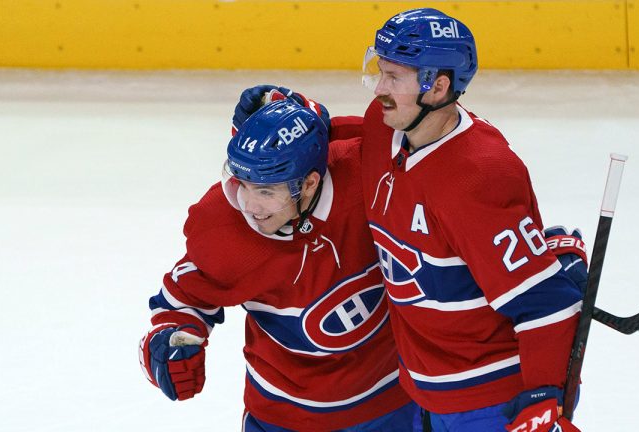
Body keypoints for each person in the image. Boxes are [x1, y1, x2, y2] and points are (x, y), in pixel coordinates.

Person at [232, 8, 588, 432]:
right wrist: (292, 114)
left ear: (437, 88)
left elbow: (547, 304)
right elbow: (332, 134)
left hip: (492, 400)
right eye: (379, 71)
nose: (380, 88)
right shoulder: (386, 127)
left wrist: (543, 397)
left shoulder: (478, 176)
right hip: (422, 392)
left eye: (394, 78)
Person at [137, 99, 416, 431]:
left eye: (267, 191)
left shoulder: (366, 179)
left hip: (391, 404)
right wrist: (168, 339)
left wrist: (318, 123)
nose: (251, 206)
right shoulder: (223, 228)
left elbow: (430, 136)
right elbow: (184, 300)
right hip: (281, 415)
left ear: (310, 183)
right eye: (244, 184)